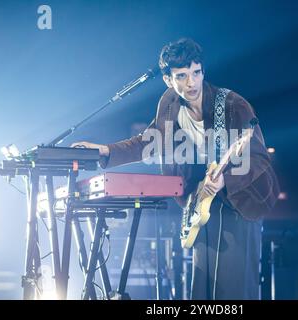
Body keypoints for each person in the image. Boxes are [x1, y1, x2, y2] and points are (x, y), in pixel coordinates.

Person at [72, 38, 280, 299]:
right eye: (181, 76)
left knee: (234, 290)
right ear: (168, 80)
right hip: (202, 202)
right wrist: (105, 151)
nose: (191, 83)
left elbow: (259, 159)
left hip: (241, 200)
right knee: (202, 290)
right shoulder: (169, 103)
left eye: (196, 73)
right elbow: (148, 142)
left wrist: (226, 180)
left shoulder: (232, 106)